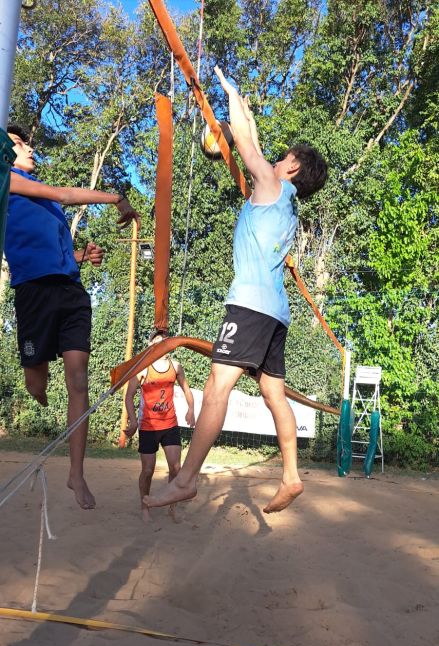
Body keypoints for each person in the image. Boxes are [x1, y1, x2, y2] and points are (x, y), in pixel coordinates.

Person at [144, 66, 328, 515]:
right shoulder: (284, 206)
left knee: (216, 388)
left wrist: (228, 93)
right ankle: (290, 477)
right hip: (275, 313)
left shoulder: (270, 184)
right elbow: (253, 138)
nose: (276, 158)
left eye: (283, 156)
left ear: (293, 167)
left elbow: (247, 144)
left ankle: (186, 479)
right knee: (273, 395)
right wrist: (240, 110)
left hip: (249, 306)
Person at [4, 124, 141, 510]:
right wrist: (116, 197)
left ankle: (76, 474)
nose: (29, 148)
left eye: (28, 142)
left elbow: (54, 249)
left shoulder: (47, 207)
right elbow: (65, 193)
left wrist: (83, 257)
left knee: (78, 378)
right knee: (36, 382)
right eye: (18, 144)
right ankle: (38, 389)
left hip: (71, 292)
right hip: (35, 294)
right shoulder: (6, 182)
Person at [124, 329, 195, 519]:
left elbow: (187, 390)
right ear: (150, 345)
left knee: (176, 469)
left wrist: (191, 410)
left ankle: (172, 507)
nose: (161, 343)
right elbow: (129, 396)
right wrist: (132, 421)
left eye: (165, 340)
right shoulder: (143, 368)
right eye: (157, 340)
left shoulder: (176, 366)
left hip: (170, 424)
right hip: (148, 427)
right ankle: (145, 506)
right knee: (147, 471)